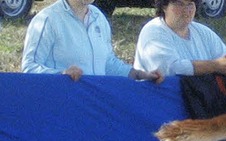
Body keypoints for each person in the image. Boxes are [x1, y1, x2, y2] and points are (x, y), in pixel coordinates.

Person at [22, 0, 162, 82]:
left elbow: (108, 63)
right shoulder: (47, 19)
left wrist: (139, 75)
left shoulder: (98, 17)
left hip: (94, 109)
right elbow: (29, 67)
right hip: (61, 108)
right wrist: (61, 76)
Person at [134, 0, 226, 77]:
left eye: (190, 4)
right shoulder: (154, 31)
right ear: (164, 6)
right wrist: (214, 66)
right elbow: (168, 70)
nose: (186, 10)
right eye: (179, 4)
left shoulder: (203, 32)